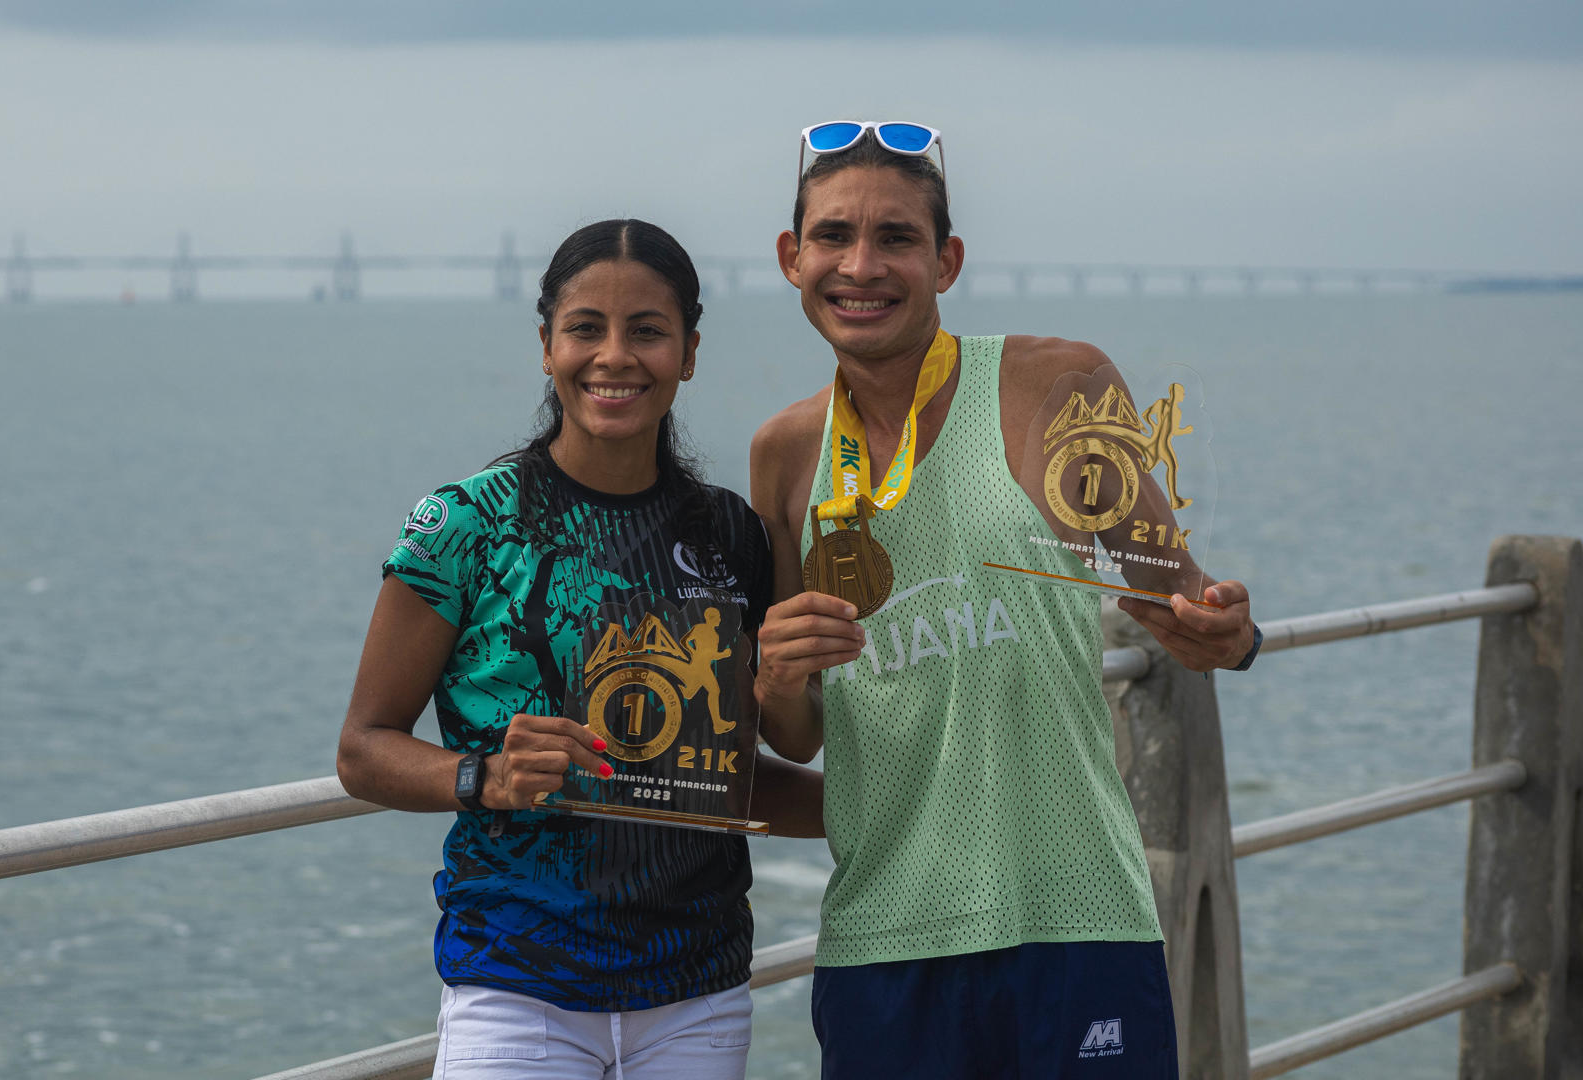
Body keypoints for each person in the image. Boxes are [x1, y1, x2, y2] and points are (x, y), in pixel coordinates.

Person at [749, 124, 1264, 1078]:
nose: (861, 265)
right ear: (792, 258)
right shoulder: (783, 453)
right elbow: (797, 730)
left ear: (946, 261)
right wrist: (775, 673)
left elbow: (1186, 603)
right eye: (832, 237)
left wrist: (1226, 629)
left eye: (896, 238)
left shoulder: (1053, 384)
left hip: (1072, 914)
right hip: (882, 936)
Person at [338, 218, 822, 1080]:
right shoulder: (466, 526)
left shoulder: (730, 535)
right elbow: (363, 750)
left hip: (697, 994)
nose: (614, 357)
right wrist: (481, 777)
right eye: (585, 328)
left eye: (647, 331)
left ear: (690, 351)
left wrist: (900, 810)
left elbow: (729, 776)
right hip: (517, 986)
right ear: (545, 344)